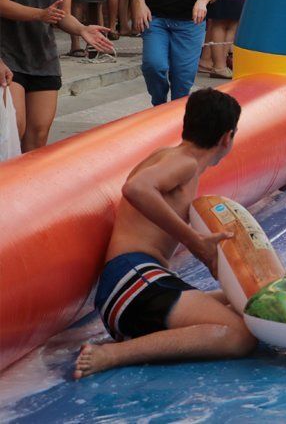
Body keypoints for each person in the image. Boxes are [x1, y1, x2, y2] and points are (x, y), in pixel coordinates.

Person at [73, 88, 255, 379]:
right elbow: (136, 188)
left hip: (132, 288)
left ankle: (130, 343)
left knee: (241, 303)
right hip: (132, 281)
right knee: (240, 336)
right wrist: (193, 239)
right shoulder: (184, 163)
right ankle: (111, 354)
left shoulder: (169, 156)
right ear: (227, 137)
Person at [0, 0, 114, 152]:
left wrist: (82, 29)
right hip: (9, 56)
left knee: (38, 136)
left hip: (43, 58)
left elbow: (61, 14)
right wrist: (39, 14)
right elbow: (1, 1)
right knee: (14, 127)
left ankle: (27, 189)